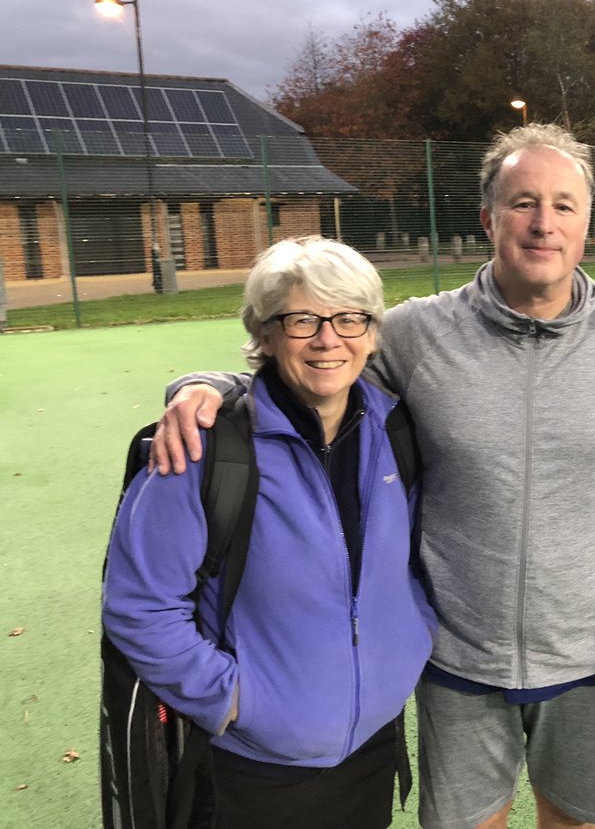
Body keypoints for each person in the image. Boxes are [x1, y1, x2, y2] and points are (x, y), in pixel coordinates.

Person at [150, 124, 595, 829]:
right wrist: (203, 384)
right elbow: (312, 362)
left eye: (563, 205)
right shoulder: (420, 334)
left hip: (589, 656)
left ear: (586, 221)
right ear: (488, 219)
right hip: (456, 659)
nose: (543, 222)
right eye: (523, 202)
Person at [103, 236, 436, 828]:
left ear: (373, 332)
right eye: (302, 319)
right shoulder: (205, 449)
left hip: (370, 751)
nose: (329, 338)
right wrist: (230, 700)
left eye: (349, 318)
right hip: (251, 767)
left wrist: (410, 645)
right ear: (263, 334)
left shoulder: (396, 429)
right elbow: (139, 605)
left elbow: (409, 566)